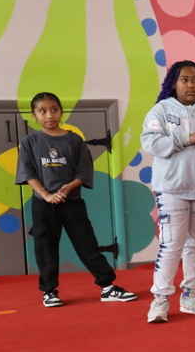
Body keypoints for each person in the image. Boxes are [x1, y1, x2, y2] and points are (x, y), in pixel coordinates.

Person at [15, 92, 137, 307]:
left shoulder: (74, 140)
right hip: (43, 204)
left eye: (54, 109)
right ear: (34, 115)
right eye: (42, 111)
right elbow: (26, 173)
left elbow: (83, 172)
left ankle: (107, 287)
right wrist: (47, 194)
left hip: (72, 203)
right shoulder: (30, 141)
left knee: (87, 244)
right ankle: (49, 292)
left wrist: (67, 189)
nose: (49, 115)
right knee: (46, 247)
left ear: (61, 111)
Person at [141, 60, 195, 322]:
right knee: (171, 245)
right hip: (172, 189)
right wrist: (187, 138)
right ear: (173, 83)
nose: (191, 85)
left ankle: (190, 295)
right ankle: (160, 300)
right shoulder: (161, 110)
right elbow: (151, 142)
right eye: (184, 79)